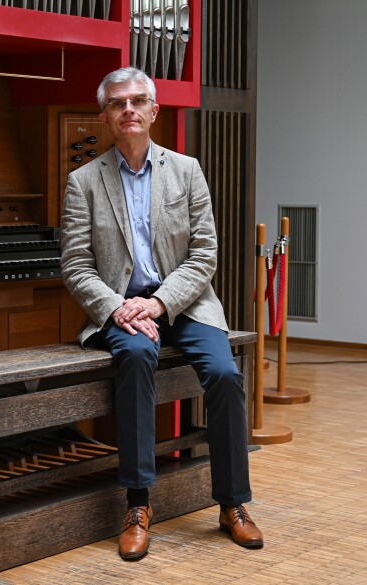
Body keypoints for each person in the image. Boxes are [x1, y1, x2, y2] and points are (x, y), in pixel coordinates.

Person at [60, 67, 263, 561]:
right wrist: (116, 307)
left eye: (136, 101)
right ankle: (137, 503)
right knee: (134, 359)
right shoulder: (83, 182)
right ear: (105, 116)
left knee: (223, 373)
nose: (127, 110)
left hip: (185, 303)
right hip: (122, 312)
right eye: (116, 103)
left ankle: (232, 503)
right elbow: (76, 265)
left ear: (154, 111)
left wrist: (159, 301)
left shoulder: (187, 170)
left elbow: (205, 255)